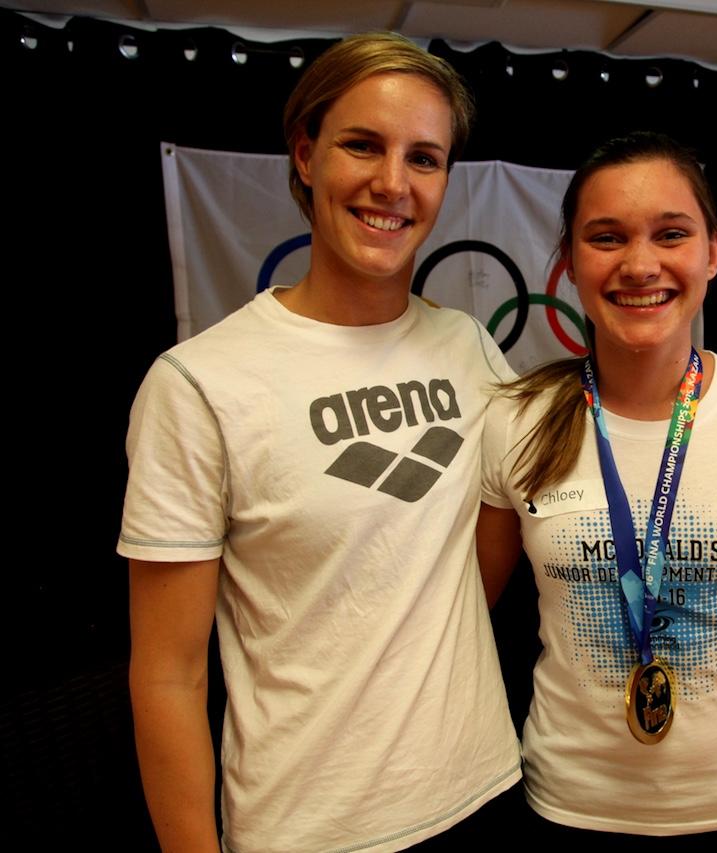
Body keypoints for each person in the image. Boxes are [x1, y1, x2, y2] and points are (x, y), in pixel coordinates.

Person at [119, 33, 520, 852]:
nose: (392, 183)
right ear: (305, 156)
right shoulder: (198, 384)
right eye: (362, 145)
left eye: (424, 158)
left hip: (484, 792)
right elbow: (168, 675)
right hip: (311, 827)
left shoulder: (469, 348)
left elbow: (524, 502)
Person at [476, 133, 717, 851]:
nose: (639, 264)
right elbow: (461, 612)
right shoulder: (516, 422)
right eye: (607, 237)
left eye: (671, 234)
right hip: (571, 805)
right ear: (569, 262)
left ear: (713, 252)